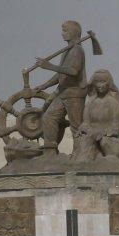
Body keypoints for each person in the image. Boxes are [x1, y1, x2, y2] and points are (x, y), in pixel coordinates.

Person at [35, 20, 88, 154]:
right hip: (64, 92)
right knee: (49, 117)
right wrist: (45, 85)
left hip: (75, 94)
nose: (62, 34)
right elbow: (61, 74)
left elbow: (73, 71)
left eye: (65, 30)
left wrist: (49, 66)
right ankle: (50, 150)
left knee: (76, 126)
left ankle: (80, 154)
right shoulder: (68, 50)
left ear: (73, 33)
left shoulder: (77, 50)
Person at [71, 69, 119, 163]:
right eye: (97, 82)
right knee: (81, 139)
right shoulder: (90, 103)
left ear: (109, 83)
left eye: (103, 82)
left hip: (109, 140)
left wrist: (103, 132)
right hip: (91, 136)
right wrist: (83, 128)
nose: (99, 85)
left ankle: (98, 160)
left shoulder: (114, 103)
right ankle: (85, 161)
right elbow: (86, 122)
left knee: (103, 142)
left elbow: (118, 126)